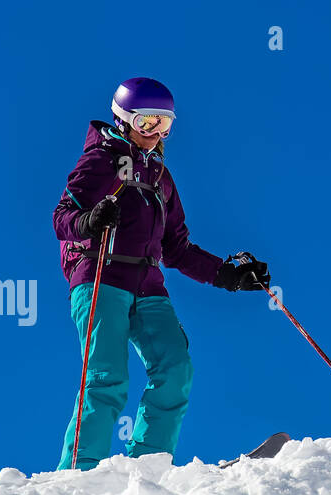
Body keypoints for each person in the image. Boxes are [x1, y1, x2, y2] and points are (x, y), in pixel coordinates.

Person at [52, 77, 269, 470]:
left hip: (148, 285)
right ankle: (80, 474)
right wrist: (91, 221)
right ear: (123, 120)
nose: (155, 134)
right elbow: (63, 216)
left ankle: (147, 466)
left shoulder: (161, 180)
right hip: (102, 276)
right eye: (146, 123)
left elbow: (178, 248)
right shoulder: (103, 159)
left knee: (174, 366)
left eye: (164, 124)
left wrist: (228, 275)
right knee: (107, 377)